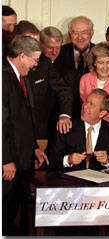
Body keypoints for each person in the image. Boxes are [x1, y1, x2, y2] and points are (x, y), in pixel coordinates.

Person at [2, 35, 49, 235]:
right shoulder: (3, 77)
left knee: (16, 211)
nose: (35, 64)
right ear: (22, 56)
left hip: (23, 160)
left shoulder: (23, 77)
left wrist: (35, 147)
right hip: (9, 163)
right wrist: (5, 160)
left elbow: (25, 119)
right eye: (34, 59)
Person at [14, 21, 73, 147]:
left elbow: (63, 90)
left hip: (37, 132)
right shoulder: (5, 65)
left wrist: (64, 115)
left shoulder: (44, 64)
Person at [48, 89, 109, 173]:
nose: (85, 106)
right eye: (86, 101)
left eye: (91, 105)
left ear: (102, 113)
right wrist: (68, 160)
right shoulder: (66, 127)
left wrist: (107, 161)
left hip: (100, 183)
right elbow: (50, 160)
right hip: (70, 182)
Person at [55, 16, 95, 118]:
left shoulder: (101, 53)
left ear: (91, 33)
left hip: (93, 115)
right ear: (69, 34)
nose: (80, 37)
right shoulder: (58, 53)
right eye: (75, 32)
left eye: (84, 32)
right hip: (63, 115)